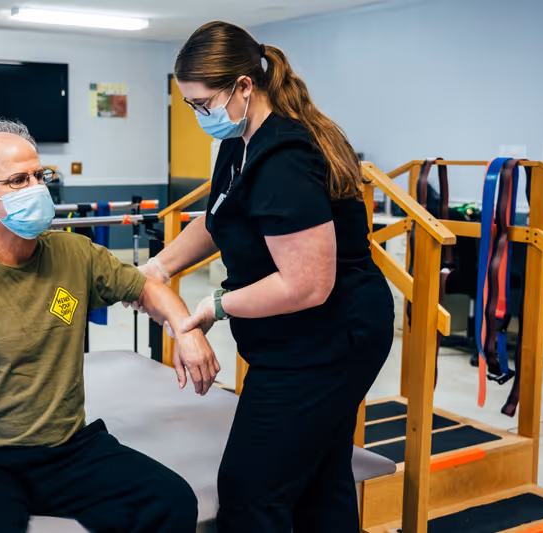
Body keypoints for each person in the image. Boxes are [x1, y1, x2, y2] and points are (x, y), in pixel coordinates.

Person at [0, 119, 220, 533]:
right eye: (18, 179)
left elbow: (147, 289)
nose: (37, 188)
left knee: (171, 502)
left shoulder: (75, 253)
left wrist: (185, 329)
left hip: (67, 451)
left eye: (40, 175)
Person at [137, 22, 394, 532]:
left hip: (329, 342)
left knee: (250, 489)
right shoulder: (240, 142)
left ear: (244, 87)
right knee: (320, 480)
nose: (198, 116)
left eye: (201, 103)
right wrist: (158, 266)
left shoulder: (284, 159)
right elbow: (219, 219)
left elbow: (306, 284)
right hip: (304, 336)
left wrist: (214, 305)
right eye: (188, 105)